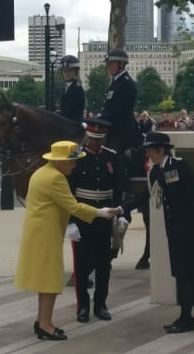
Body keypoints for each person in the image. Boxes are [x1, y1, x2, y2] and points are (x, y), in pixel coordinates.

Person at [15, 140, 120, 341]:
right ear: (62, 161)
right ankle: (46, 325)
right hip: (47, 233)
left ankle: (42, 320)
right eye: (72, 162)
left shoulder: (41, 172)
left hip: (39, 232)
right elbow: (74, 207)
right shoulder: (56, 178)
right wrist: (101, 212)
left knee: (45, 279)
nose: (74, 166)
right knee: (50, 280)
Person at [121, 132, 194, 333]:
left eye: (150, 151)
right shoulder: (156, 172)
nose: (148, 155)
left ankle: (186, 318)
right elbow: (148, 196)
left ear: (161, 150)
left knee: (186, 274)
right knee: (179, 273)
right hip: (174, 229)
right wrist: (122, 208)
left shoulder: (180, 166)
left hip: (188, 228)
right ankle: (184, 315)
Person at [67, 119, 129, 323]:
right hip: (82, 217)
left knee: (104, 264)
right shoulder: (75, 156)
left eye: (100, 139)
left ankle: (100, 304)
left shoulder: (112, 157)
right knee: (81, 265)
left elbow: (119, 189)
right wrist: (70, 222)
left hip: (106, 217)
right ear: (87, 138)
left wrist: (121, 215)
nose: (96, 143)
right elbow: (68, 192)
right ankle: (82, 306)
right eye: (93, 139)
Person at [99, 48, 140, 153]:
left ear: (121, 64)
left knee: (111, 158)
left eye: (111, 64)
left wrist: (100, 119)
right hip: (113, 130)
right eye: (108, 64)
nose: (108, 67)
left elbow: (118, 110)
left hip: (122, 133)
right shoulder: (116, 82)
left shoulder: (127, 84)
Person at [56, 55, 85, 123]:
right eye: (64, 71)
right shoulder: (64, 88)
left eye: (69, 71)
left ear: (75, 71)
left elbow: (70, 109)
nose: (66, 73)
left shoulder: (78, 89)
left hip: (73, 125)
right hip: (64, 123)